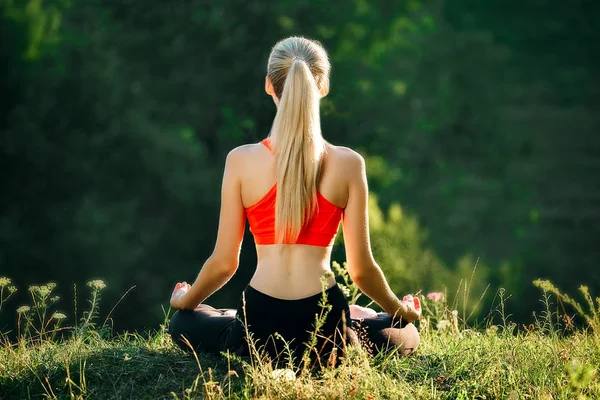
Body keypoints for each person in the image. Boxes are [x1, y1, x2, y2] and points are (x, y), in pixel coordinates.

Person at [168, 36, 421, 367]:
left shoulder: (241, 160)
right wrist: (401, 310)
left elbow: (224, 263)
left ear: (269, 86)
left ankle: (231, 318)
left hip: (258, 316)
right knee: (403, 332)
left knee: (183, 323)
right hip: (325, 319)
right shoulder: (348, 164)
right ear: (324, 87)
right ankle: (357, 320)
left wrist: (186, 301)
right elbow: (361, 271)